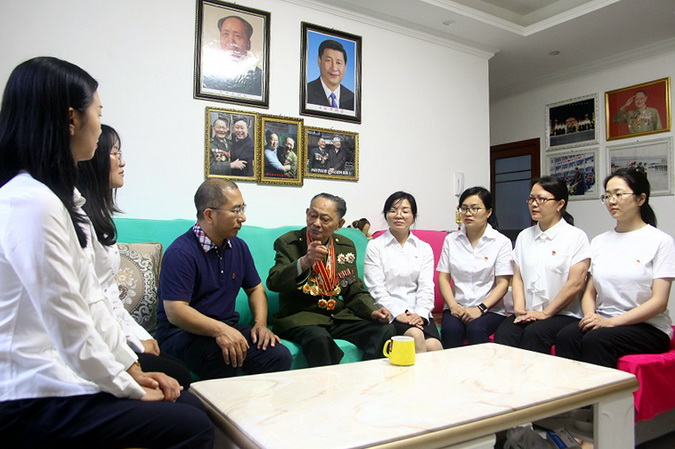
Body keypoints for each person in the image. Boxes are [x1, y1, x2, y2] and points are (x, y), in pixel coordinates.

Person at [0, 56, 213, 448]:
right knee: (193, 425)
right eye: (98, 113)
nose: (100, 128)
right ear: (71, 119)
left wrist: (131, 369)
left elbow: (93, 301)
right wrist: (127, 386)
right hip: (27, 395)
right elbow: (68, 319)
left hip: (58, 378)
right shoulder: (30, 203)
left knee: (190, 406)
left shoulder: (60, 201)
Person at [77, 124, 192, 388]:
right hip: (97, 342)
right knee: (178, 376)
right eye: (114, 153)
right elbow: (93, 303)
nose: (122, 162)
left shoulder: (100, 217)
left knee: (178, 372)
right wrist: (130, 344)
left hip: (114, 334)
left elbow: (110, 295)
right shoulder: (77, 220)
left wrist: (139, 335)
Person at [156, 178, 292, 379]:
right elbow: (176, 311)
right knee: (223, 355)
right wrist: (220, 331)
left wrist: (260, 324)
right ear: (209, 215)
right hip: (181, 334)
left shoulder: (239, 247)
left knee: (277, 355)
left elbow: (255, 289)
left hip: (227, 326)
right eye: (235, 210)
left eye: (243, 208)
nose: (243, 217)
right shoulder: (181, 252)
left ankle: (254, 400)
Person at [556, 168, 675, 368]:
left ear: (641, 199)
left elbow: (659, 302)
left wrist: (611, 322)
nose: (611, 201)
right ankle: (573, 389)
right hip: (605, 319)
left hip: (648, 327)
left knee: (596, 339)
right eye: (607, 196)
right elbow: (590, 292)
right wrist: (590, 316)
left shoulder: (660, 241)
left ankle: (603, 390)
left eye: (618, 194)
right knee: (566, 336)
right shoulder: (599, 242)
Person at [267, 193, 395, 367]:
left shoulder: (345, 246)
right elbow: (274, 282)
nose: (316, 223)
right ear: (306, 213)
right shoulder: (289, 243)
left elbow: (353, 289)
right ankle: (328, 384)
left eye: (325, 219)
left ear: (339, 224)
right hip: (301, 318)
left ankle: (367, 378)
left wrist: (372, 311)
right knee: (319, 338)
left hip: (336, 317)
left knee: (384, 330)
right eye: (312, 215)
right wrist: (304, 262)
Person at [494, 176, 590, 354]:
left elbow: (576, 283)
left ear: (560, 204)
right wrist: (519, 310)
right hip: (529, 312)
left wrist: (546, 313)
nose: (534, 204)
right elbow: (518, 278)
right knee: (505, 332)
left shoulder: (576, 237)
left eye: (541, 199)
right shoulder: (524, 236)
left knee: (535, 333)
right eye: (531, 198)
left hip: (563, 314)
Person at [364, 192, 442, 353]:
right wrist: (398, 313)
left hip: (418, 311)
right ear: (386, 215)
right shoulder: (375, 246)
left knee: (434, 346)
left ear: (413, 216)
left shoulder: (423, 248)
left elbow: (426, 286)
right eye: (393, 210)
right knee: (415, 335)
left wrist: (420, 314)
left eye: (405, 211)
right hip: (389, 311)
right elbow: (375, 288)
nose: (398, 215)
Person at [437, 187, 513, 348]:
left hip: (490, 309)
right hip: (456, 306)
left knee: (476, 329)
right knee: (450, 330)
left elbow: (503, 284)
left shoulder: (501, 242)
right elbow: (443, 278)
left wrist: (480, 309)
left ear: (488, 212)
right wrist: (453, 306)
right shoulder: (451, 240)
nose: (468, 213)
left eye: (475, 208)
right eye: (464, 208)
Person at [202, 15, 263, 96]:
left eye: (237, 36)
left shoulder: (261, 79)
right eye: (225, 34)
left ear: (248, 44)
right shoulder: (206, 74)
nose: (231, 41)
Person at [306, 39, 355, 110]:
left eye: (338, 63)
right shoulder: (306, 92)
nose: (334, 68)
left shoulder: (353, 99)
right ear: (319, 61)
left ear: (345, 67)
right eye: (328, 61)